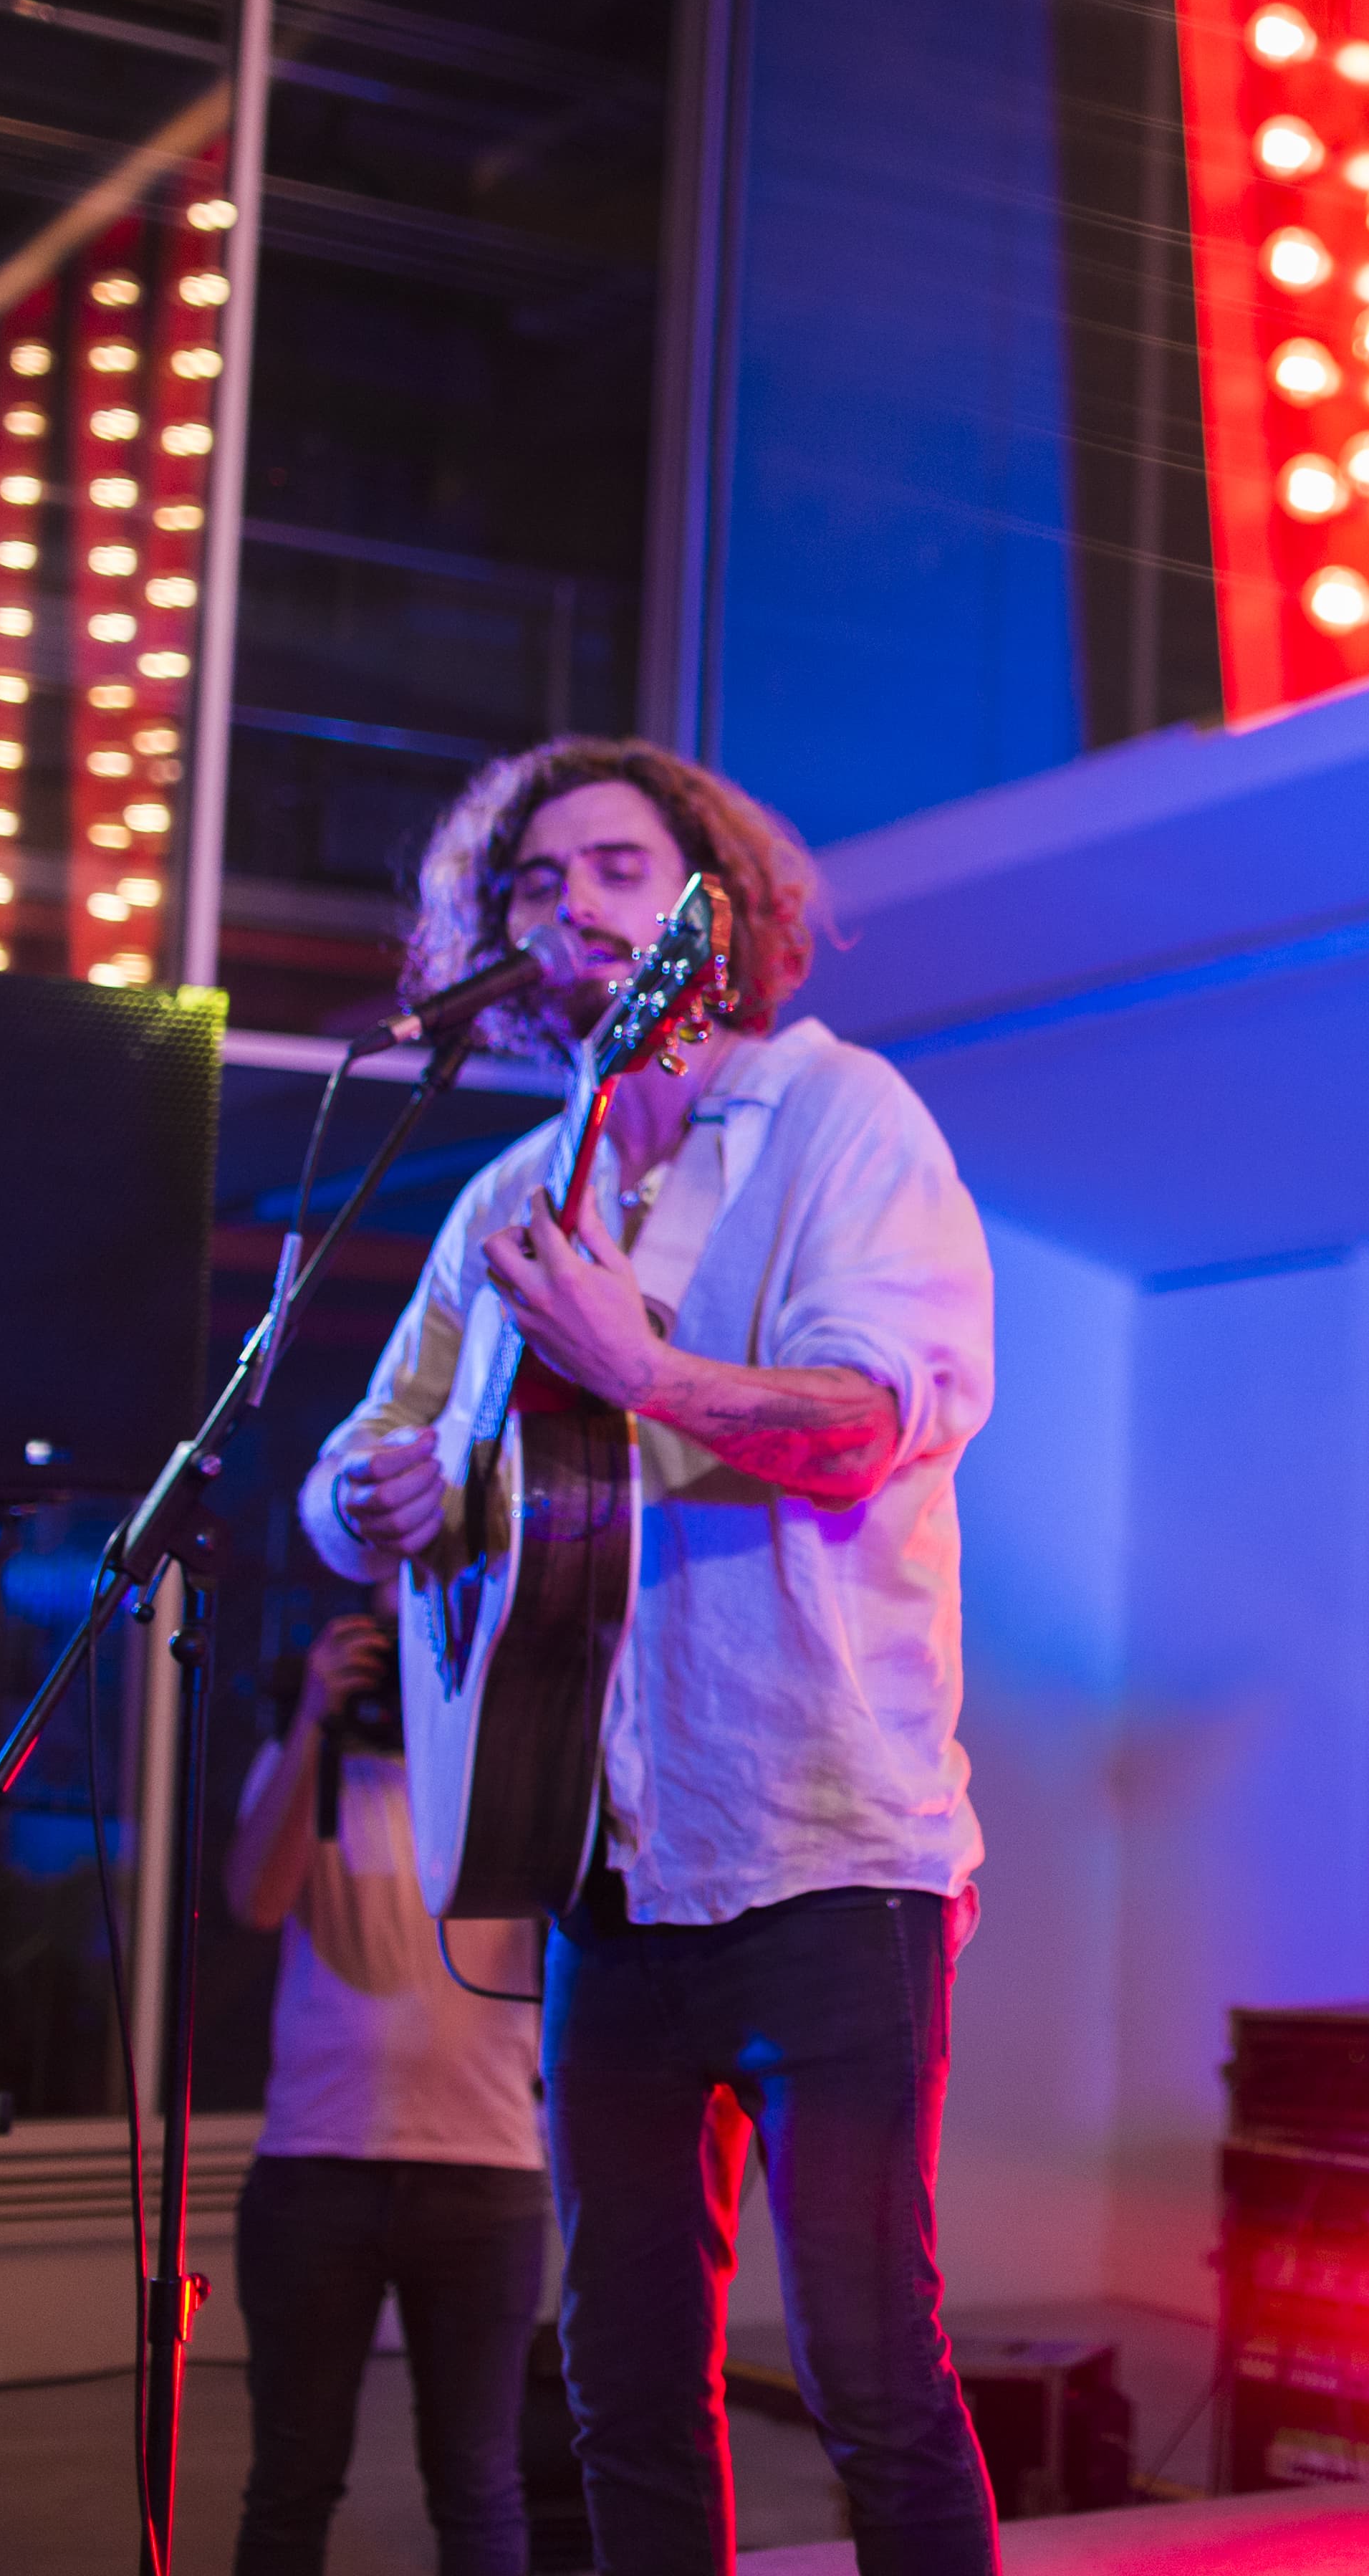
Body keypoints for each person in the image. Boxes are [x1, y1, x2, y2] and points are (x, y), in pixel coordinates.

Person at [302, 739, 1002, 2576]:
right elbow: (358, 1449)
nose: (573, 907)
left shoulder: (845, 1121)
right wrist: (365, 1499)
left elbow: (878, 1417)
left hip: (827, 1850)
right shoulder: (512, 1197)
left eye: (617, 866)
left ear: (715, 902)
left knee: (866, 2367)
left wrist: (644, 1369)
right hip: (597, 1858)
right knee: (618, 2376)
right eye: (533, 885)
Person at [223, 1604, 552, 2576]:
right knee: (290, 2482)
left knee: (479, 2484)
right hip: (316, 2169)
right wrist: (316, 1719)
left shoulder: (510, 1788)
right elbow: (254, 1898)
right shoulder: (312, 1771)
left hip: (483, 2175)